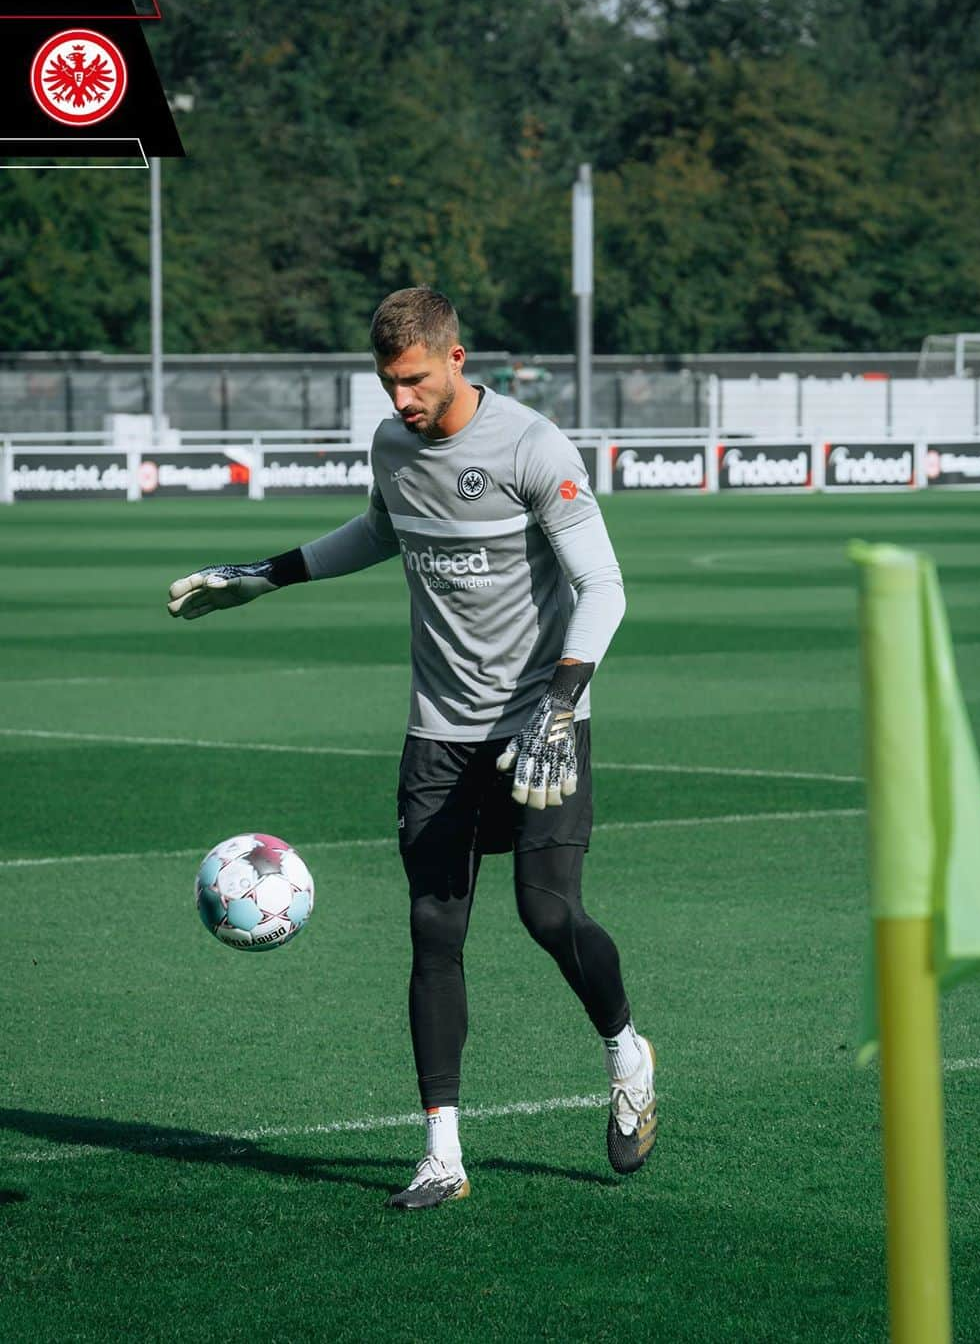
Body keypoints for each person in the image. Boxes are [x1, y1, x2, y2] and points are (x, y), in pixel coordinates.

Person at [166, 287, 656, 1210]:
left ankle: (626, 1053)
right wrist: (262, 577)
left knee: (550, 917)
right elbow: (380, 531)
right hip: (437, 730)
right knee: (435, 930)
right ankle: (442, 1154)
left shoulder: (533, 448)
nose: (402, 402)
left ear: (456, 358)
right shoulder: (393, 446)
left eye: (416, 381)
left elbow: (603, 585)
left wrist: (562, 700)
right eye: (389, 384)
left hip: (540, 723)